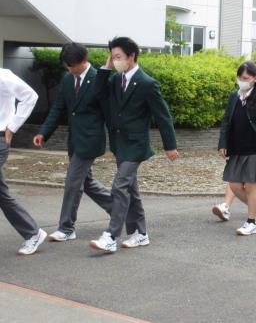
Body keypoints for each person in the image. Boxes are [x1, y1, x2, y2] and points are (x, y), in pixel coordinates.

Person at [90, 37, 178, 252]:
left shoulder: (147, 83)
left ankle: (111, 236)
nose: (115, 61)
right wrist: (105, 69)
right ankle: (140, 233)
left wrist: (170, 146)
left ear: (132, 56)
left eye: (118, 57)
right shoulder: (114, 80)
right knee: (131, 189)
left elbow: (163, 116)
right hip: (120, 144)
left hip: (136, 145)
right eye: (113, 57)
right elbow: (96, 95)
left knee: (119, 186)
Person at [34, 43, 112, 242]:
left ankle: (67, 227)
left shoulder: (98, 79)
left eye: (72, 66)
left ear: (83, 61)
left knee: (73, 182)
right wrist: (43, 132)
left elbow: (106, 106)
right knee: (87, 182)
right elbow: (58, 108)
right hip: (75, 140)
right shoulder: (68, 79)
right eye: (67, 66)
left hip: (90, 140)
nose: (69, 69)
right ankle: (121, 209)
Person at [217, 61, 256, 236]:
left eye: (245, 78)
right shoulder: (234, 96)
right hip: (238, 148)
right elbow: (226, 121)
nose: (241, 81)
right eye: (239, 77)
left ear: (255, 78)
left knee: (251, 186)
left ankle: (251, 222)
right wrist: (223, 143)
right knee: (234, 184)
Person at [0, 68, 47, 255]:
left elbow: (30, 96)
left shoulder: (3, 75)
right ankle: (33, 233)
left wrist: (13, 126)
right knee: (2, 196)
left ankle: (33, 234)